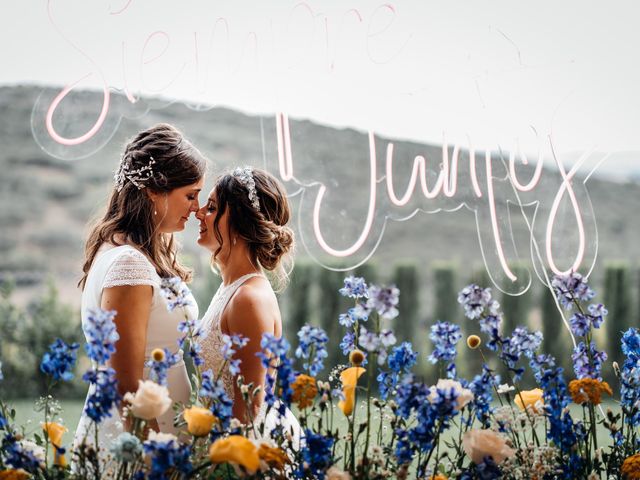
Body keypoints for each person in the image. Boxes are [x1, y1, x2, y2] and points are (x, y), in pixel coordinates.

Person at [72, 124, 206, 457]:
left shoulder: (125, 251)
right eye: (190, 195)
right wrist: (152, 455)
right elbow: (126, 386)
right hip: (143, 439)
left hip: (165, 427)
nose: (197, 207)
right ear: (153, 190)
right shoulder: (129, 265)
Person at [196, 166, 300, 444]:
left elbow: (250, 411)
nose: (198, 213)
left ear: (240, 221)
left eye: (212, 207)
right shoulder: (232, 289)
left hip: (238, 451)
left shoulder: (248, 300)